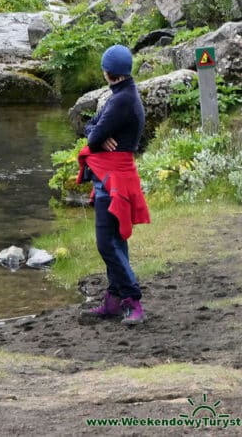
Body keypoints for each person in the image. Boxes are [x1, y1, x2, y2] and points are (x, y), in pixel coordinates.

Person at [76, 44, 150, 325]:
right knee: (115, 241)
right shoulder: (123, 95)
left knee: (107, 243)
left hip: (113, 181)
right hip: (115, 178)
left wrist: (96, 134)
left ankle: (132, 300)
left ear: (108, 72)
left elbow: (92, 139)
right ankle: (113, 300)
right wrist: (95, 131)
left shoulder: (121, 101)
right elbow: (91, 127)